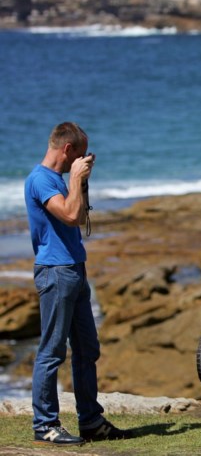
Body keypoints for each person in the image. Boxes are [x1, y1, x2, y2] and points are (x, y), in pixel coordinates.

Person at [24, 122, 132, 445]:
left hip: (74, 269)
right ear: (67, 149)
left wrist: (81, 184)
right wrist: (74, 179)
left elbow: (81, 218)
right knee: (52, 351)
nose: (82, 160)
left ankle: (91, 420)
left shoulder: (59, 180)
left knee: (87, 349)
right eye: (80, 155)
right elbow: (70, 216)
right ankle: (45, 425)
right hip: (55, 272)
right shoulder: (41, 180)